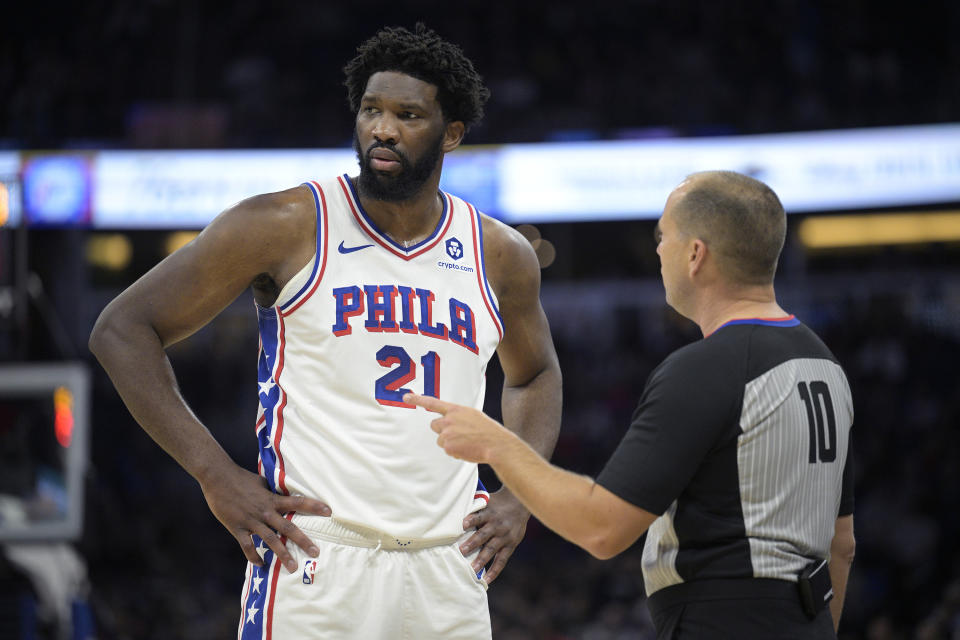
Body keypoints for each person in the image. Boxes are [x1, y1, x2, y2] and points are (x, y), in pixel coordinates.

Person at [89, 24, 561, 639]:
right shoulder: (283, 224)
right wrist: (214, 472)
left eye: (407, 114)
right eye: (371, 110)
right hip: (317, 559)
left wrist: (520, 493)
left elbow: (536, 374)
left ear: (451, 134)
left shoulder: (499, 253)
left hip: (450, 566)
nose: (382, 129)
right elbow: (121, 329)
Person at [406, 170, 856, 639]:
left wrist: (499, 444)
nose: (658, 249)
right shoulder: (825, 365)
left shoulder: (706, 368)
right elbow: (841, 545)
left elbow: (602, 529)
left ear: (696, 255)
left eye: (664, 235)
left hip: (722, 619)